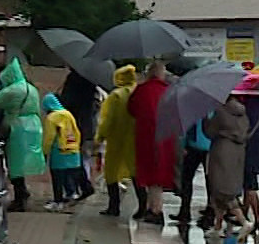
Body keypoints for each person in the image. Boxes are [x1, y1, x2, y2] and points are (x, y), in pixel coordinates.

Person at [0, 59, 45, 211]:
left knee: (14, 163)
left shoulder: (14, 90)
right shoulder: (30, 88)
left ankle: (20, 196)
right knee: (22, 162)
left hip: (17, 127)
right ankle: (22, 191)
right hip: (33, 126)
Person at [127, 61, 176, 224]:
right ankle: (154, 207)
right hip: (165, 138)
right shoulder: (168, 91)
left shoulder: (141, 90)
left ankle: (155, 210)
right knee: (159, 172)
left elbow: (131, 109)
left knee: (148, 172)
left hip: (145, 136)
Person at [94, 65, 138, 218]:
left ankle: (114, 206)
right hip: (135, 138)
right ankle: (143, 205)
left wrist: (99, 138)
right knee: (135, 171)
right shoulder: (138, 92)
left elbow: (107, 120)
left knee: (111, 172)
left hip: (116, 138)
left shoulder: (116, 96)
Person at [204, 95, 251, 237]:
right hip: (237, 153)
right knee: (223, 189)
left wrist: (206, 119)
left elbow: (209, 132)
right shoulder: (243, 114)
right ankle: (217, 225)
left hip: (221, 152)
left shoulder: (220, 112)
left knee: (221, 189)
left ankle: (244, 222)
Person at [59, 69, 101, 203]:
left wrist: (58, 98)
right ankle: (84, 185)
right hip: (87, 124)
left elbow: (68, 102)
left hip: (75, 124)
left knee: (71, 157)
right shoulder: (91, 80)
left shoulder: (74, 80)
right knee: (82, 157)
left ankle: (77, 188)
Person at [40, 92, 85, 210]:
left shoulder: (51, 118)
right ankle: (72, 194)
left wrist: (45, 151)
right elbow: (77, 131)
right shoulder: (68, 114)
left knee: (57, 178)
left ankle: (58, 201)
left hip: (58, 151)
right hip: (72, 149)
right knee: (69, 175)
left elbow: (49, 137)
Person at [240, 93, 259, 233]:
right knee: (248, 186)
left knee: (250, 186)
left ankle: (258, 219)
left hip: (249, 151)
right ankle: (245, 214)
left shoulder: (250, 110)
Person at [178, 115, 214, 227]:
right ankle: (210, 211)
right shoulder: (214, 109)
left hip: (193, 146)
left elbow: (186, 128)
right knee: (210, 181)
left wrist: (183, 145)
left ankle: (185, 210)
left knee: (187, 179)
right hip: (210, 148)